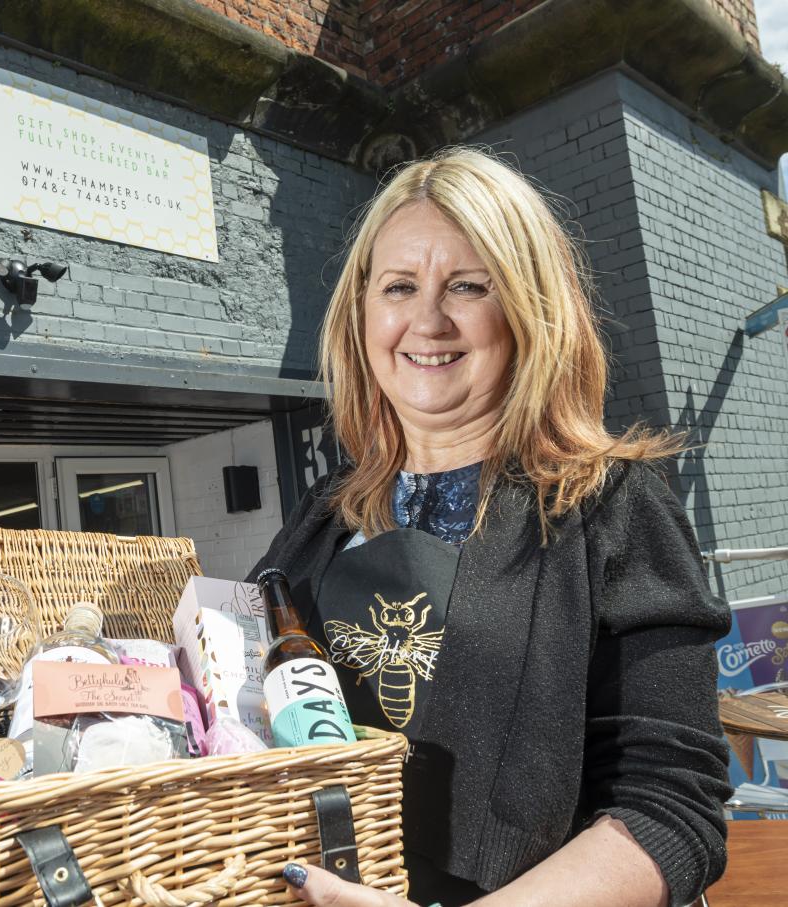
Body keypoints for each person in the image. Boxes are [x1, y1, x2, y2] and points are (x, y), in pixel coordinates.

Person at [251, 147, 731, 906]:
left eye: (468, 286)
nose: (427, 320)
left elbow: (671, 809)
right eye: (399, 286)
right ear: (362, 311)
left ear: (528, 306)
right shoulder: (320, 521)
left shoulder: (612, 509)